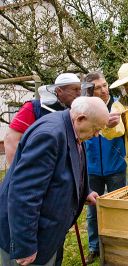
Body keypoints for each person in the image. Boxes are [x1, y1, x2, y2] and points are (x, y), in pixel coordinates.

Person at [0, 96, 109, 266]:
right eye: (96, 128)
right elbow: (25, 192)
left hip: (47, 232)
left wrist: (83, 191)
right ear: (81, 118)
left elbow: (70, 165)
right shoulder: (49, 135)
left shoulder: (73, 128)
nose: (96, 134)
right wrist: (25, 245)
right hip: (27, 236)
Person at [83, 72, 127, 264]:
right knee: (93, 212)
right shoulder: (84, 107)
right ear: (89, 91)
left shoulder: (119, 106)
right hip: (92, 167)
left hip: (116, 166)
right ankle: (94, 248)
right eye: (97, 87)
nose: (102, 90)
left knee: (117, 209)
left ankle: (117, 246)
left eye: (104, 85)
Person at [4, 73, 90, 165]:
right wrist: (19, 173)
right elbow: (11, 139)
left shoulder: (73, 111)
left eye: (80, 89)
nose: (79, 93)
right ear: (59, 90)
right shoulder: (32, 108)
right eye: (75, 89)